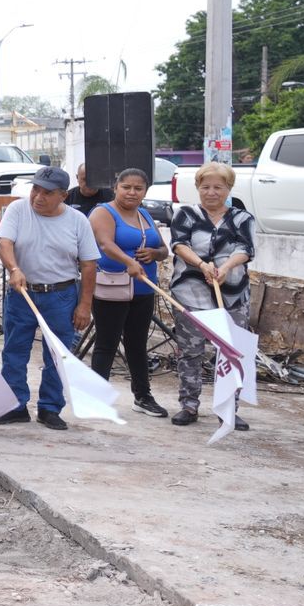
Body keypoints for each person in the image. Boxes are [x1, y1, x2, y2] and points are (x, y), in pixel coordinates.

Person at [0, 164, 100, 431]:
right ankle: (15, 405)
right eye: (36, 190)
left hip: (61, 295)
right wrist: (14, 269)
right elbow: (5, 243)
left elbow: (89, 265)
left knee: (58, 354)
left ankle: (50, 408)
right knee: (14, 350)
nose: (38, 197)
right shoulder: (18, 210)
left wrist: (85, 305)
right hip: (22, 293)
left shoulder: (78, 221)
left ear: (64, 195)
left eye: (47, 193)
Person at [168, 162, 257, 429]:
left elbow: (246, 249)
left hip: (232, 295)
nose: (211, 192)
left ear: (228, 189)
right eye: (205, 187)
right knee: (190, 351)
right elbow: (179, 245)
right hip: (190, 292)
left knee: (231, 352)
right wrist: (201, 265)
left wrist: (225, 268)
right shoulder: (186, 214)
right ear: (198, 188)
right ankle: (189, 405)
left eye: (218, 187)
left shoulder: (242, 218)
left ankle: (228, 408)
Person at [87, 167, 171, 418]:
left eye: (138, 188)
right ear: (116, 188)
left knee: (138, 344)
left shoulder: (144, 214)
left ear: (145, 191)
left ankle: (143, 396)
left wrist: (154, 254)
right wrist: (128, 262)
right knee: (107, 344)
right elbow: (105, 244)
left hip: (144, 288)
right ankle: (96, 399)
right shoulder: (103, 212)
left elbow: (163, 249)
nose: (132, 192)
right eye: (126, 187)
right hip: (112, 288)